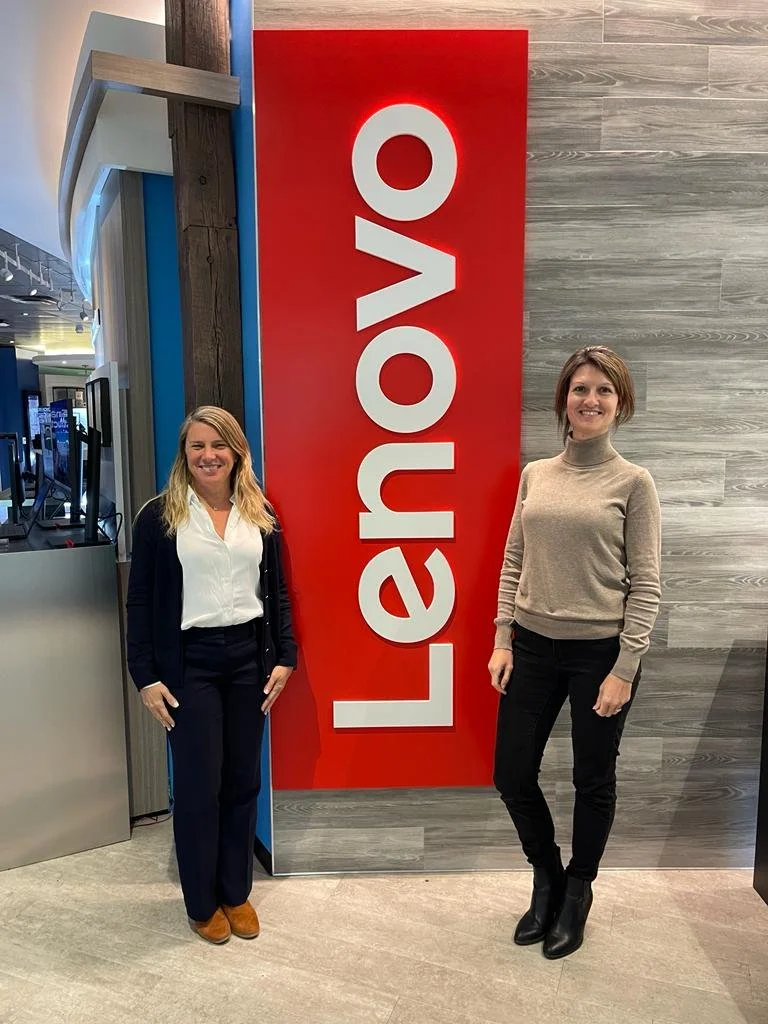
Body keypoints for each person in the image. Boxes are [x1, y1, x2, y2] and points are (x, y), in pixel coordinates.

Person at [488, 346, 661, 960]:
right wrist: (503, 637)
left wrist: (624, 668)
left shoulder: (634, 483)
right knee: (511, 773)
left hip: (600, 655)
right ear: (564, 398)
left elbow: (647, 584)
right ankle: (547, 876)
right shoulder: (536, 474)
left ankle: (579, 890)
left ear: (621, 402)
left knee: (592, 779)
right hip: (533, 647)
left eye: (604, 390)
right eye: (581, 388)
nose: (591, 400)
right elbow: (514, 559)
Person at [126, 405, 297, 945]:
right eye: (197, 445)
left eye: (218, 445)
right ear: (185, 453)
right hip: (189, 664)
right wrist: (144, 675)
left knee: (242, 782)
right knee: (200, 787)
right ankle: (202, 903)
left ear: (237, 452)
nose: (208, 456)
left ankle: (235, 892)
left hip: (249, 659)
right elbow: (140, 601)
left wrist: (286, 655)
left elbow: (277, 591)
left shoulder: (260, 512)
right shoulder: (159, 518)